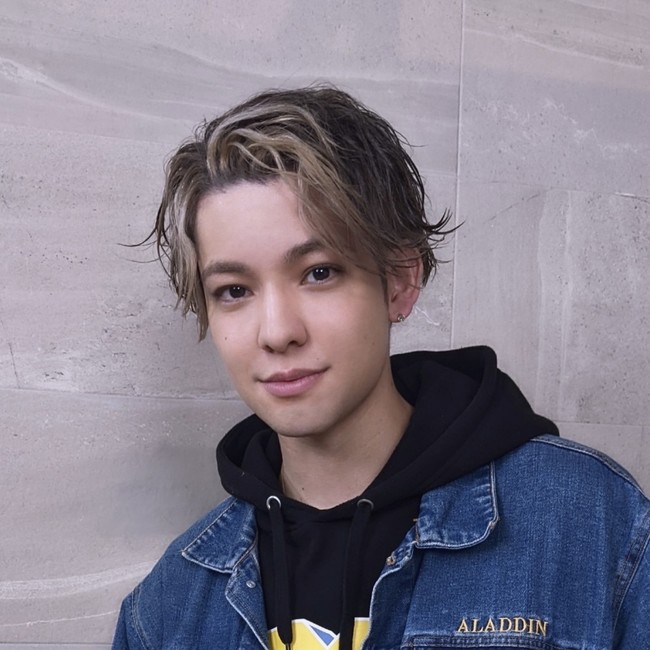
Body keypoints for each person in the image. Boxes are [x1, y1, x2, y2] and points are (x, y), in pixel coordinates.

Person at [112, 85, 649, 650]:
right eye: (234, 290)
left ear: (399, 281)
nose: (276, 331)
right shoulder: (167, 607)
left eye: (318, 273)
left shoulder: (589, 522)